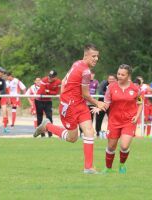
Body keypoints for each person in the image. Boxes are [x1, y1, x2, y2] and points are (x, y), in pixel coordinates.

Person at [33, 43, 107, 174]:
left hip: (79, 103)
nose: (96, 59)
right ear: (86, 55)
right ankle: (47, 126)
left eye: (97, 56)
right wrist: (98, 103)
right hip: (69, 106)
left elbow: (65, 83)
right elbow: (85, 94)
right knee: (72, 138)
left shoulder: (77, 63)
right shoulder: (85, 72)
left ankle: (88, 167)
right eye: (93, 56)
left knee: (89, 131)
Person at [94, 64, 142, 174]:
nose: (119, 76)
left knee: (124, 146)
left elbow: (140, 103)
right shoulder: (111, 87)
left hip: (129, 121)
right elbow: (107, 103)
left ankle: (122, 165)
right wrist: (99, 108)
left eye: (122, 74)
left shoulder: (135, 89)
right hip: (114, 121)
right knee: (111, 147)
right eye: (118, 74)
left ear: (128, 75)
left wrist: (137, 116)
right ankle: (108, 168)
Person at [35, 70, 61, 137]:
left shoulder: (58, 82)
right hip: (39, 100)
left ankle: (50, 134)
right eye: (49, 76)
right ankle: (42, 135)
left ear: (55, 77)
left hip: (48, 101)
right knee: (39, 117)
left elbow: (56, 93)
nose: (49, 78)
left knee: (49, 117)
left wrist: (48, 91)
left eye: (52, 77)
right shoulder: (44, 80)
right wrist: (49, 92)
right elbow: (42, 91)